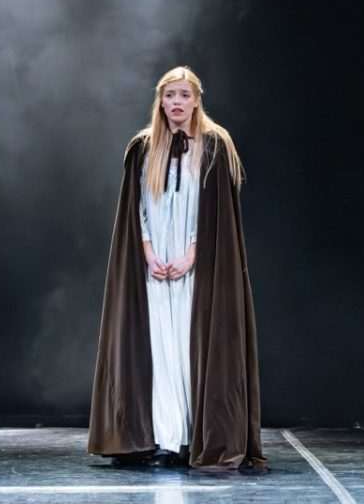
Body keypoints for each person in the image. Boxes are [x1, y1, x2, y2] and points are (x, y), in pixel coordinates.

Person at [89, 66, 265, 471]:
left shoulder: (215, 146)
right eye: (169, 95)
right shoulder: (143, 148)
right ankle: (166, 439)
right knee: (161, 350)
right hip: (156, 266)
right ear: (160, 101)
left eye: (184, 95)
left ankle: (191, 436)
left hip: (197, 269)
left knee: (191, 348)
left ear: (197, 100)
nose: (176, 103)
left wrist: (193, 254)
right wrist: (149, 252)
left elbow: (217, 215)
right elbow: (136, 209)